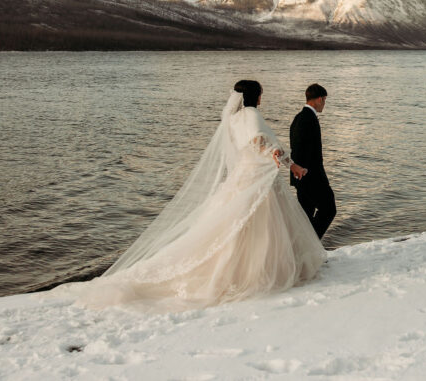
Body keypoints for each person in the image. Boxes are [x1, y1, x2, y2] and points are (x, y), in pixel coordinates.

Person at [63, 80, 325, 311]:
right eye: (260, 94)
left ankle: (233, 269)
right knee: (259, 227)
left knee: (233, 227)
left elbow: (245, 145)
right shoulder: (251, 114)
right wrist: (285, 161)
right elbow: (259, 141)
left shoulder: (232, 120)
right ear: (255, 96)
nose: (261, 98)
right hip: (256, 178)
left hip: (241, 176)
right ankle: (255, 274)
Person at [289, 83, 336, 240]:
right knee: (329, 209)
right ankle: (311, 246)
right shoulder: (308, 119)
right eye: (324, 100)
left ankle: (304, 252)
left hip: (301, 177)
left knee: (305, 217)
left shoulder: (298, 117)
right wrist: (307, 173)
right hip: (310, 177)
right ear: (320, 99)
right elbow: (302, 151)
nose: (324, 104)